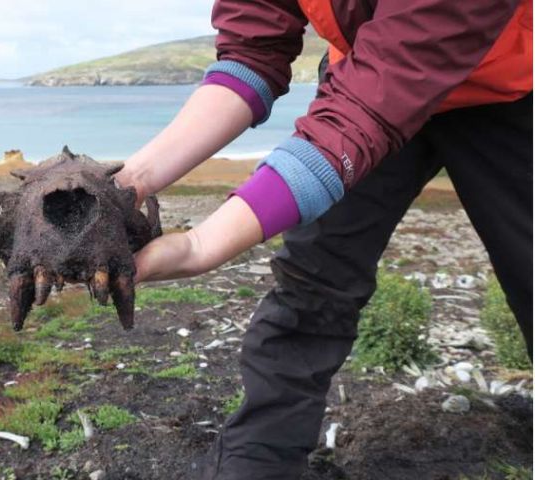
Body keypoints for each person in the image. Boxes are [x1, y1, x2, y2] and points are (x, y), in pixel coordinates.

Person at [114, 0, 533, 478]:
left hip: (510, 90)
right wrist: (129, 182)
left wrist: (200, 245)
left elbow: (393, 80)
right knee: (313, 276)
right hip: (363, 79)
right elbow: (253, 52)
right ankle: (257, 462)